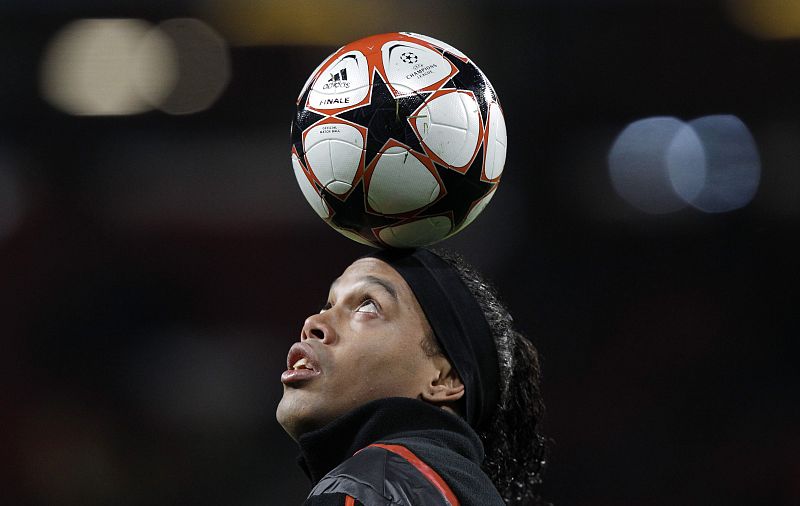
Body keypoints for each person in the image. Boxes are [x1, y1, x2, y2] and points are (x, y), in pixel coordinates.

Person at [276, 248, 549, 505]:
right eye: (327, 306)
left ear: (444, 379)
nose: (313, 323)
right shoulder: (441, 483)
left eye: (368, 307)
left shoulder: (372, 485)